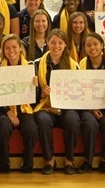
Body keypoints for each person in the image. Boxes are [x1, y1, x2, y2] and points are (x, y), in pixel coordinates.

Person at [33, 29, 80, 175]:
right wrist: (40, 92)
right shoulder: (36, 65)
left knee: (73, 120)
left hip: (66, 108)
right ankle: (49, 160)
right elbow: (31, 97)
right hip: (45, 106)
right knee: (42, 119)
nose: (56, 46)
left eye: (60, 43)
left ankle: (69, 160)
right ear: (47, 43)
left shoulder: (74, 66)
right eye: (53, 42)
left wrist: (59, 110)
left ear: (66, 45)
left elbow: (78, 95)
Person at [78, 32, 105, 174]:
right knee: (90, 124)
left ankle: (104, 160)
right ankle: (87, 161)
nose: (92, 47)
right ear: (84, 48)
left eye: (95, 44)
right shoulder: (80, 66)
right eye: (88, 45)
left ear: (102, 46)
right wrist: (91, 107)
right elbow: (77, 92)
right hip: (86, 107)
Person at [0, 34, 36, 173]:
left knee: (31, 130)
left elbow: (35, 98)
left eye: (14, 47)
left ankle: (28, 161)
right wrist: (8, 112)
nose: (11, 51)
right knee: (2, 128)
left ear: (20, 48)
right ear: (3, 50)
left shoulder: (30, 67)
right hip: (5, 109)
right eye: (7, 48)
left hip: (25, 109)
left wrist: (35, 86)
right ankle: (4, 161)